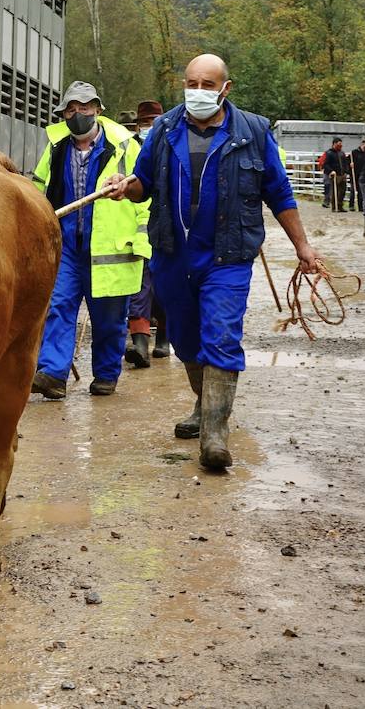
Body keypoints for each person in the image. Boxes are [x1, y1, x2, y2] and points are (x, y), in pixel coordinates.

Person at [105, 54, 319, 470]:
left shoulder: (254, 132)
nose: (197, 92)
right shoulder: (164, 129)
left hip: (227, 256)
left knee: (220, 334)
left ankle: (215, 435)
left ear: (226, 87)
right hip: (172, 254)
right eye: (191, 83)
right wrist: (123, 186)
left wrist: (303, 247)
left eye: (207, 84)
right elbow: (142, 183)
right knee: (186, 338)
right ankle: (206, 407)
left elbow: (280, 194)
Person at [30, 81, 151, 398]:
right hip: (66, 246)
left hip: (110, 248)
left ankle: (106, 375)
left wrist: (141, 241)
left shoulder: (125, 147)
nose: (77, 113)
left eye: (84, 107)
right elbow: (38, 191)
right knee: (58, 307)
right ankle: (53, 374)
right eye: (71, 109)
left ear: (97, 109)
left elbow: (146, 198)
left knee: (109, 319)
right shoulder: (56, 148)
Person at [125, 100, 167, 363]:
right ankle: (140, 345)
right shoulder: (126, 150)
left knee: (163, 288)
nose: (148, 128)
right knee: (137, 290)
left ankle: (164, 338)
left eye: (153, 123)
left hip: (165, 230)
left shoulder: (170, 147)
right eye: (144, 124)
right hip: (132, 232)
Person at [321, 138, 351, 212]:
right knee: (335, 191)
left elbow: (345, 163)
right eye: (339, 144)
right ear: (334, 144)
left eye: (341, 144)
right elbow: (326, 165)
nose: (340, 146)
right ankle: (334, 207)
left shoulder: (342, 153)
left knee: (343, 191)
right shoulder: (329, 153)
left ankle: (340, 206)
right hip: (335, 175)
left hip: (342, 175)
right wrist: (331, 171)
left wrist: (346, 171)